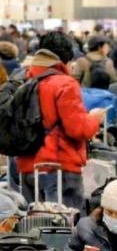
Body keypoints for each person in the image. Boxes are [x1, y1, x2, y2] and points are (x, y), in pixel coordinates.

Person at [15, 31, 104, 210]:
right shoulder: (65, 84)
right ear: (66, 59)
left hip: (27, 167)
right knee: (64, 224)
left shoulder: (23, 79)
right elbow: (77, 129)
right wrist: (94, 120)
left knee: (34, 224)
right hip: (59, 167)